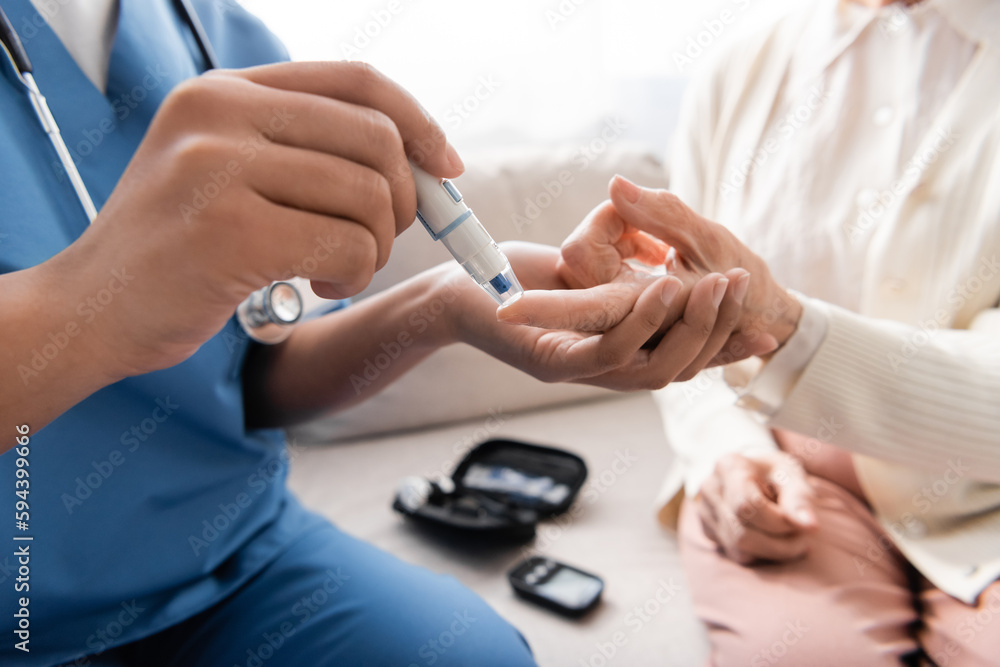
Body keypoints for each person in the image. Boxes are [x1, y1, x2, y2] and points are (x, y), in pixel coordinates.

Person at [0, 0, 750, 665]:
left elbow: (258, 372)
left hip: (233, 559)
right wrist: (93, 296)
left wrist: (450, 305)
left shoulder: (213, 30)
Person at [505, 0, 1000, 664]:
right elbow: (686, 314)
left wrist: (788, 326)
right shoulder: (742, 64)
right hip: (785, 479)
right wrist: (722, 448)